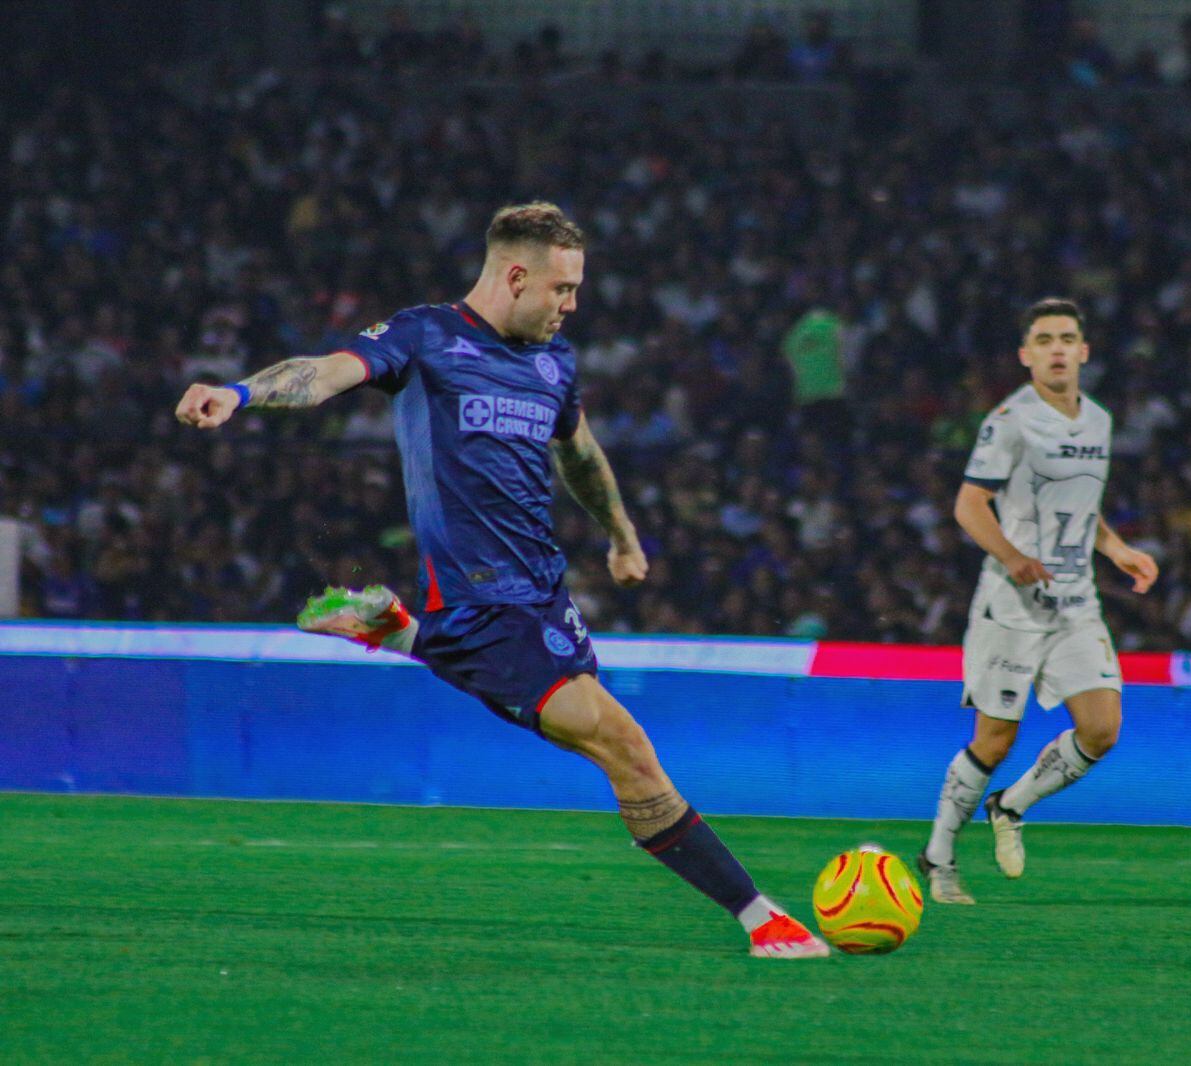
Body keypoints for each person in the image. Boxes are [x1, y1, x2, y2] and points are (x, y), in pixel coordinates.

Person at [174, 202, 828, 958]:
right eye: (562, 288)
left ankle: (406, 633)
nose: (572, 304)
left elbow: (578, 453)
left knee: (597, 747)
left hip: (545, 597)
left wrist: (620, 535)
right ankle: (760, 918)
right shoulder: (425, 336)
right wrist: (241, 393)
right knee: (627, 748)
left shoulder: (555, 364)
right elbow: (325, 374)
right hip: (487, 599)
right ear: (515, 275)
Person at [918, 298, 1159, 904]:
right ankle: (938, 856)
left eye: (1067, 338)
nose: (1057, 348)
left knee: (1102, 730)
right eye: (1045, 339)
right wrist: (1012, 557)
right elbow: (969, 505)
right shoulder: (1009, 421)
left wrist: (1117, 549)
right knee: (995, 739)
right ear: (1026, 356)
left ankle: (1012, 805)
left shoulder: (1099, 422)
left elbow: (1081, 505)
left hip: (1076, 602)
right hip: (1013, 604)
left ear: (1084, 351)